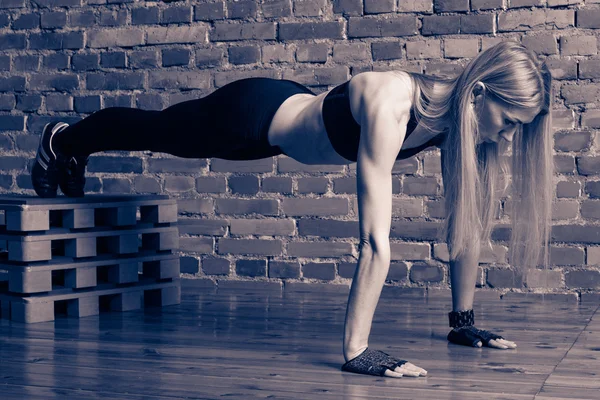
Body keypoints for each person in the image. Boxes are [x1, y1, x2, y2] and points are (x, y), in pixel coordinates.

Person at [31, 40, 553, 378]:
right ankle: (64, 140)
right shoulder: (393, 101)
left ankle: (71, 144)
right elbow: (374, 241)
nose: (506, 137)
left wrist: (463, 322)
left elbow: (466, 222)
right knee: (157, 131)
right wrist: (358, 350)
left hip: (291, 115)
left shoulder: (456, 125)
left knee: (159, 131)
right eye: (508, 123)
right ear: (478, 92)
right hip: (252, 115)